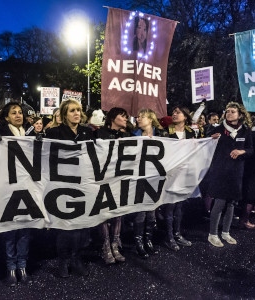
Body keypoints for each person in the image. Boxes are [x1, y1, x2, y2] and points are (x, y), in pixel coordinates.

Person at [45, 99, 94, 278]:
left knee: (82, 225)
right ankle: (63, 260)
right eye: (72, 110)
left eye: (79, 110)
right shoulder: (54, 132)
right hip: (62, 184)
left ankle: (76, 258)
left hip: (83, 183)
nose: (77, 114)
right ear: (64, 114)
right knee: (66, 225)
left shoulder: (87, 132)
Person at [204, 102, 253, 247]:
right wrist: (211, 139)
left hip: (236, 172)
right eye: (227, 111)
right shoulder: (217, 129)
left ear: (240, 114)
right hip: (220, 171)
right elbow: (205, 144)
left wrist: (241, 151)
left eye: (233, 111)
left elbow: (251, 150)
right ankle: (212, 234)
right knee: (219, 202)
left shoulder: (245, 130)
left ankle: (226, 232)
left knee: (231, 203)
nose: (229, 113)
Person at [0, 102, 32, 286]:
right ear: (6, 117)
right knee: (10, 228)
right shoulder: (0, 137)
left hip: (27, 186)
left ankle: (22, 265)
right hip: (8, 187)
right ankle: (11, 267)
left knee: (25, 228)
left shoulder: (30, 135)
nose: (18, 115)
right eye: (14, 113)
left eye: (20, 113)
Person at [95, 107, 130, 264]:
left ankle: (115, 246)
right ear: (113, 118)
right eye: (122, 116)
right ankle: (106, 246)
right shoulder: (99, 134)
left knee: (118, 212)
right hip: (104, 178)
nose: (125, 119)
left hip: (120, 178)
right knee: (104, 212)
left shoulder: (126, 135)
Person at [132, 108, 165, 257]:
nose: (138, 119)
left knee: (151, 212)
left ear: (150, 119)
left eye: (142, 116)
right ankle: (139, 243)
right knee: (140, 212)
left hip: (155, 178)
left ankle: (148, 240)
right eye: (138, 117)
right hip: (139, 178)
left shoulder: (163, 135)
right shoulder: (132, 136)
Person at [162, 105, 196, 251]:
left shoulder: (191, 133)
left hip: (184, 174)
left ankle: (177, 233)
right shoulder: (165, 133)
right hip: (170, 174)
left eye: (178, 112)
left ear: (185, 116)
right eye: (173, 112)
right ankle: (169, 237)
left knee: (179, 206)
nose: (174, 114)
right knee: (170, 206)